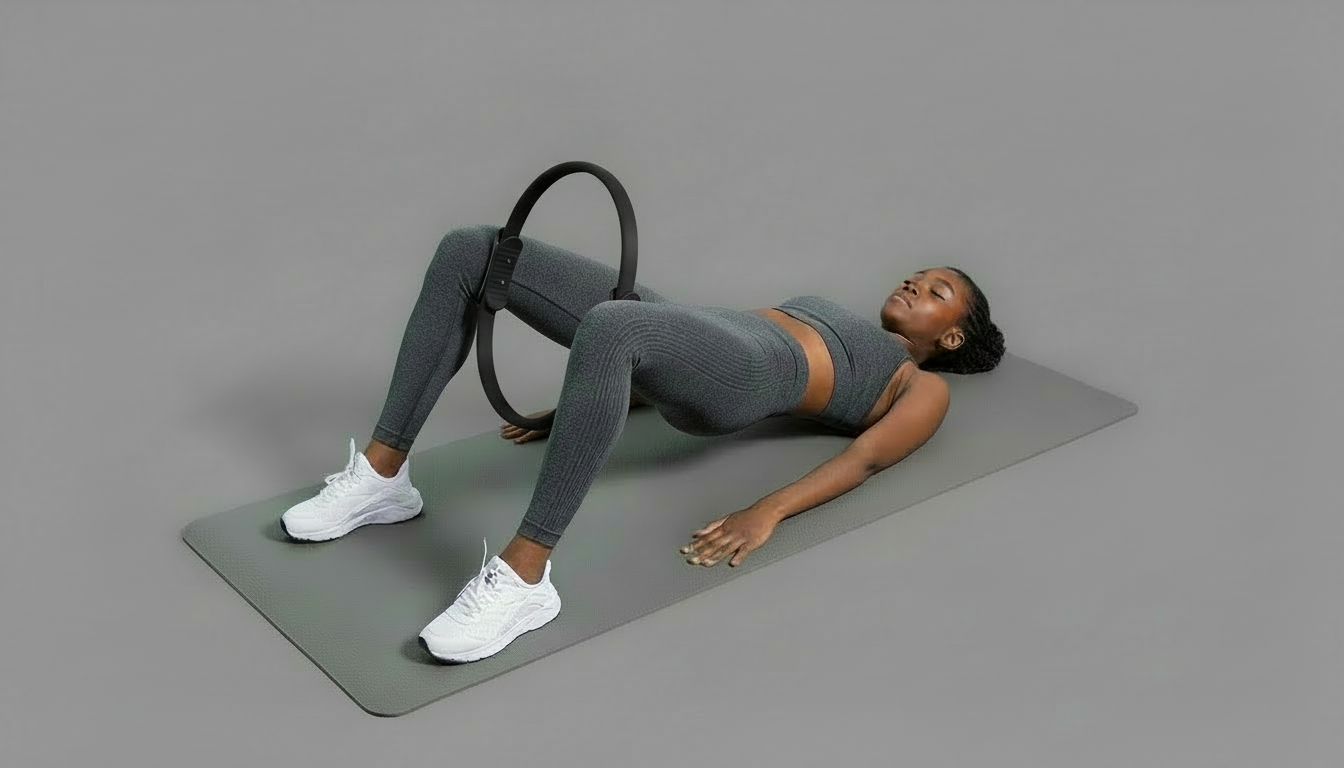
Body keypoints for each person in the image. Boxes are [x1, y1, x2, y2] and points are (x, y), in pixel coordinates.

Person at [280, 224, 1006, 663]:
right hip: (697, 330)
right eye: (919, 274)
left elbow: (866, 457)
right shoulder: (837, 307)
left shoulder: (920, 383)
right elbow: (690, 338)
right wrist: (582, 404)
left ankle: (526, 578)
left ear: (949, 336)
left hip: (751, 378)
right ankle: (382, 477)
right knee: (477, 250)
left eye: (937, 289)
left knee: (614, 325)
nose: (917, 281)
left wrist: (769, 511)